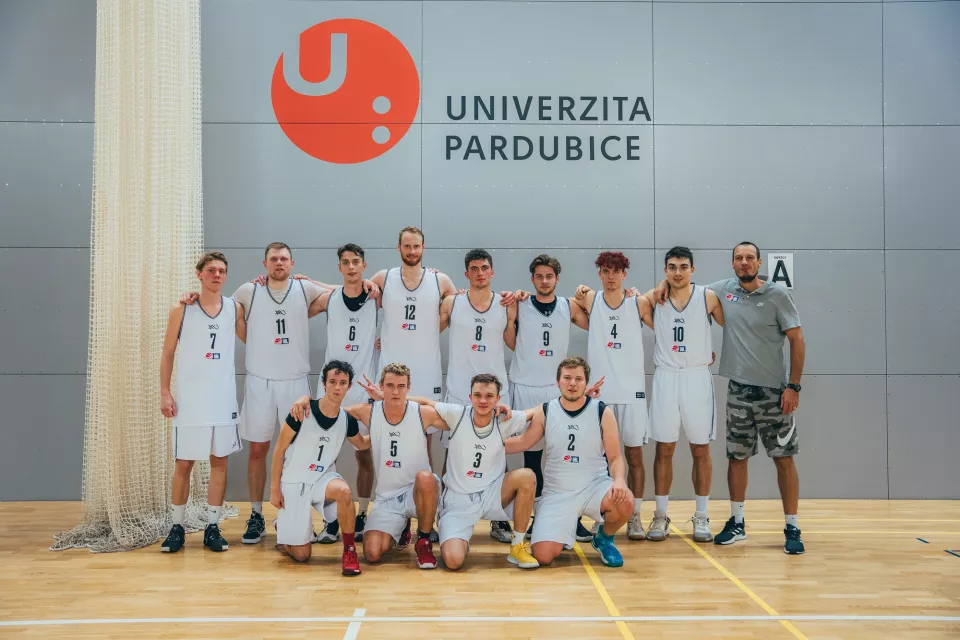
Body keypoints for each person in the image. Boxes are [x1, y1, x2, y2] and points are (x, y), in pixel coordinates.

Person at [179, 242, 378, 545]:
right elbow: (219, 308)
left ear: (292, 264)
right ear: (265, 264)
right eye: (274, 259)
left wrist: (366, 284)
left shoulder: (304, 289)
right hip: (260, 381)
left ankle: (314, 516)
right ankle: (257, 515)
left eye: (284, 259)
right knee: (258, 450)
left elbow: (343, 291)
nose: (279, 263)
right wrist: (192, 297)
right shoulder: (249, 290)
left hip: (295, 383)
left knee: (303, 451)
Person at [653, 241, 806, 554]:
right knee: (737, 458)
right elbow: (683, 285)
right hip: (738, 390)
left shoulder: (778, 295)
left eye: (750, 258)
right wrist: (661, 285)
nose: (744, 262)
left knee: (784, 458)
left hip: (775, 392)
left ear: (759, 262)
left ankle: (792, 526)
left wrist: (794, 386)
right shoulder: (722, 290)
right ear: (732, 264)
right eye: (739, 258)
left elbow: (797, 340)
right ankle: (737, 522)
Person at [359, 373, 539, 570]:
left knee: (527, 476)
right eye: (478, 395)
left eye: (489, 396)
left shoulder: (505, 419)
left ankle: (517, 546)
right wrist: (387, 397)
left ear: (497, 399)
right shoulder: (457, 414)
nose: (483, 400)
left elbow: (536, 412)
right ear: (470, 397)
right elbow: (425, 402)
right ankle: (455, 539)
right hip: (458, 502)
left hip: (491, 494)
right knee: (453, 561)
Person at [503, 357, 634, 567]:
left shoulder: (602, 411)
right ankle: (565, 528)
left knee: (624, 499)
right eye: (567, 378)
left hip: (594, 487)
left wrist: (619, 480)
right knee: (543, 556)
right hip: (557, 494)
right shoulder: (546, 410)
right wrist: (486, 443)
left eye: (578, 379)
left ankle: (604, 538)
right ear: (558, 382)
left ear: (585, 382)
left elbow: (615, 457)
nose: (572, 383)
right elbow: (523, 442)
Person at [317, 363, 444, 569]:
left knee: (426, 477)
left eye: (401, 386)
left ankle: (423, 542)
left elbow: (460, 417)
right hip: (387, 498)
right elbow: (328, 412)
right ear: (381, 386)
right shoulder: (368, 412)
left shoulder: (422, 413)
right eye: (390, 386)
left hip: (417, 491)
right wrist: (305, 403)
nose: (395, 392)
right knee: (372, 553)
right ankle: (401, 528)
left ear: (408, 388)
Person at [160, 252, 246, 553]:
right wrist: (165, 392)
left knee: (219, 461)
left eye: (222, 271)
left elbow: (253, 337)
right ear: (199, 274)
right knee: (184, 463)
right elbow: (168, 353)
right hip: (190, 400)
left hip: (222, 399)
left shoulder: (234, 308)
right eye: (211, 270)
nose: (217, 275)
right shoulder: (182, 308)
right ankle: (177, 527)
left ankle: (212, 526)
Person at [295, 244, 379, 544]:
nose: (351, 267)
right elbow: (294, 311)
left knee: (364, 454)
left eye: (356, 262)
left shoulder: (376, 296)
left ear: (364, 265)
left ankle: (363, 512)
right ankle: (331, 519)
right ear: (339, 267)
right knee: (324, 457)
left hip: (364, 387)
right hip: (330, 387)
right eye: (346, 262)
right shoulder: (328, 299)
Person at [642, 247, 724, 543]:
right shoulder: (655, 298)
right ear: (665, 270)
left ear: (693, 269)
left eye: (683, 266)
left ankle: (701, 515)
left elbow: (733, 324)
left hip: (696, 377)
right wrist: (659, 286)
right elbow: (634, 305)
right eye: (672, 267)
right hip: (666, 376)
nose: (678, 272)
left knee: (700, 449)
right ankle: (660, 515)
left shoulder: (708, 297)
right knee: (664, 448)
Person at [438, 248, 518, 543]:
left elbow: (514, 343)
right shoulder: (453, 302)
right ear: (466, 273)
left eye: (485, 268)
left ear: (492, 272)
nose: (480, 273)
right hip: (460, 391)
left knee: (499, 453)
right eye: (474, 268)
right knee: (452, 453)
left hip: (496, 393)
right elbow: (424, 330)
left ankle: (500, 519)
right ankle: (445, 512)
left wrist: (519, 299)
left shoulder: (506, 304)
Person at [572, 251, 653, 541]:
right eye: (605, 271)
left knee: (634, 455)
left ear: (624, 274)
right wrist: (580, 290)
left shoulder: (638, 302)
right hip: (601, 393)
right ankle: (603, 514)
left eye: (616, 271)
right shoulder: (590, 299)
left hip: (632, 392)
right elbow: (564, 303)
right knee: (601, 460)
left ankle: (635, 515)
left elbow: (665, 324)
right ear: (599, 274)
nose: (610, 276)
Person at [509, 254, 590, 539]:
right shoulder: (519, 304)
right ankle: (538, 518)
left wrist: (589, 296)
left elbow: (601, 323)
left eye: (549, 276)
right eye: (539, 276)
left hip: (557, 389)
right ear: (532, 279)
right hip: (526, 386)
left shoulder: (569, 306)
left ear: (557, 279)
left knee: (564, 459)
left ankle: (571, 518)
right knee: (532, 460)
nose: (544, 281)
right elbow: (507, 336)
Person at [271, 360, 367, 575]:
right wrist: (275, 489)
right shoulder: (301, 412)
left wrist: (383, 432)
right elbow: (279, 450)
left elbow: (362, 443)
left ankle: (349, 551)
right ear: (324, 383)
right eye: (332, 382)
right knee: (302, 555)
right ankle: (283, 527)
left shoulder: (347, 420)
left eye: (342, 383)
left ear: (349, 386)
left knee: (344, 491)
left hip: (322, 479)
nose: (337, 387)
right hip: (295, 481)